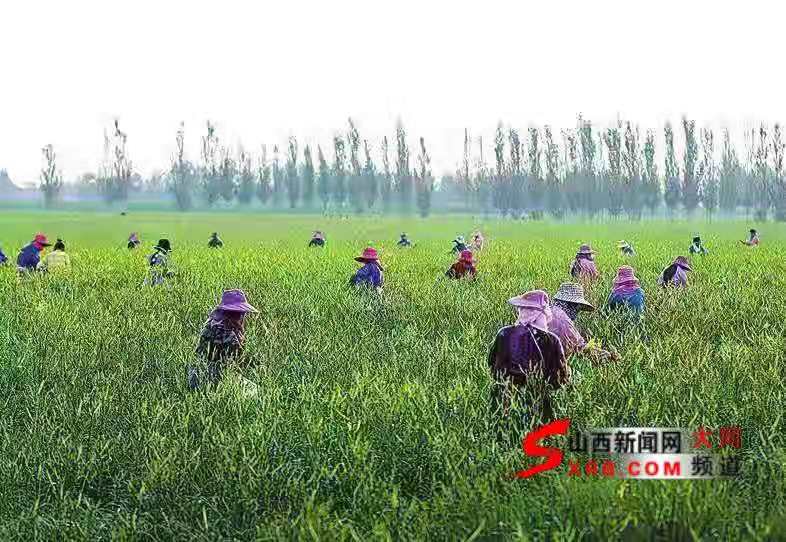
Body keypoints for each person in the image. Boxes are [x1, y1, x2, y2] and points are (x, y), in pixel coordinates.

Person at [488, 290, 568, 421]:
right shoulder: (552, 340)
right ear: (543, 314)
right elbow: (560, 378)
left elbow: (492, 365)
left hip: (503, 401)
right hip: (537, 403)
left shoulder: (504, 333)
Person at [187, 289, 259, 390]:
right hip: (213, 379)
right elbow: (235, 364)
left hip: (195, 375)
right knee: (255, 390)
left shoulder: (209, 324)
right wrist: (257, 363)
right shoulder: (230, 335)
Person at [549, 282, 619, 362]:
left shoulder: (549, 310)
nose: (577, 312)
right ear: (572, 304)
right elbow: (579, 346)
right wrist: (605, 355)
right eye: (578, 308)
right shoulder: (562, 320)